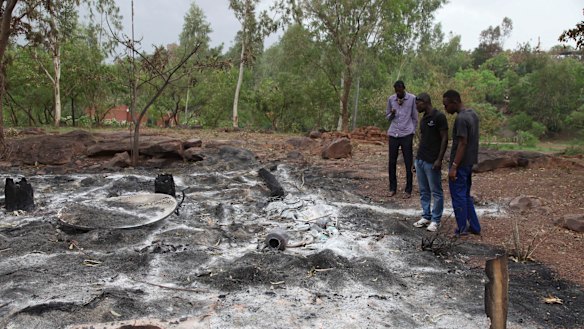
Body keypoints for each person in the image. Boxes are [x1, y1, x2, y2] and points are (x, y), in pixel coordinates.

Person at [442, 89, 481, 237]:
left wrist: (454, 167)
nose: (445, 109)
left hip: (461, 164)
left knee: (458, 196)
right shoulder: (473, 114)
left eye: (446, 105)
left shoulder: (461, 119)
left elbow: (463, 143)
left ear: (454, 102)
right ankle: (475, 227)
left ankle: (462, 228)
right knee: (465, 195)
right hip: (470, 162)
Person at [412, 93, 448, 232]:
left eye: (418, 103)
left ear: (425, 102)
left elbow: (444, 139)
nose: (416, 106)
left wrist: (439, 159)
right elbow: (423, 139)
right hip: (421, 159)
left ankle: (436, 219)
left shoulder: (439, 117)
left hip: (432, 161)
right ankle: (426, 216)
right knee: (423, 190)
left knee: (436, 191)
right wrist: (416, 159)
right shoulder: (423, 119)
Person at [385, 80, 418, 198]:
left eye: (400, 90)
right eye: (396, 91)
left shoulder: (412, 99)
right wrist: (392, 114)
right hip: (394, 133)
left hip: (406, 134)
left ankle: (408, 189)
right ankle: (392, 188)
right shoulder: (391, 99)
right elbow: (387, 117)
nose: (398, 93)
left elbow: (415, 117)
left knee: (408, 161)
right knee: (392, 161)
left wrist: (412, 130)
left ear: (404, 88)